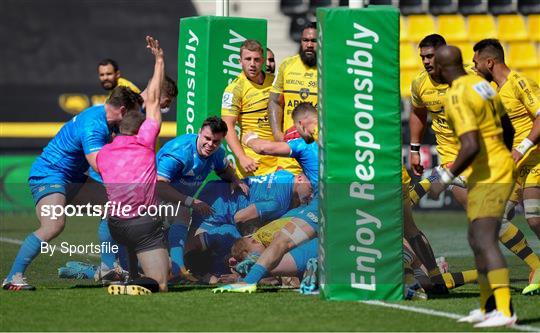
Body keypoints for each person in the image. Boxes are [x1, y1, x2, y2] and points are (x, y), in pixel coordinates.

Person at [408, 34, 540, 293]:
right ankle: (435, 275)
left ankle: (524, 271)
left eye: (431, 56)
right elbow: (418, 112)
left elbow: (501, 115)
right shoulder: (420, 84)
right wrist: (414, 148)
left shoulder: (473, 81)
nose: (425, 61)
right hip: (450, 160)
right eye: (422, 56)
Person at [2, 90, 142, 291]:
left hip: (72, 177)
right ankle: (12, 277)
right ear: (122, 110)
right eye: (132, 114)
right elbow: (98, 165)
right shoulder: (94, 125)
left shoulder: (104, 118)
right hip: (49, 174)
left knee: (113, 206)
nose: (134, 119)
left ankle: (108, 268)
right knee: (53, 225)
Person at [432, 45, 516, 327]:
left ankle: (505, 310)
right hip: (490, 169)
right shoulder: (481, 84)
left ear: (444, 69)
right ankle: (487, 307)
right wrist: (501, 156)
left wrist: (444, 179)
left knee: (484, 239)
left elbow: (469, 145)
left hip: (491, 172)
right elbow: (508, 126)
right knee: (475, 238)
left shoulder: (456, 93)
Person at [97, 36, 169, 294]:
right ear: (141, 130)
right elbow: (153, 100)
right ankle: (135, 282)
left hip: (116, 225)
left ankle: (128, 279)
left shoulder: (104, 153)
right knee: (161, 283)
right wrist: (159, 60)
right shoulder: (146, 142)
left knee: (136, 256)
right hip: (143, 225)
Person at [156, 116, 248, 279]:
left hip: (178, 201)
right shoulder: (178, 153)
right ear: (199, 132)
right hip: (150, 197)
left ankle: (177, 270)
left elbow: (224, 169)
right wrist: (190, 201)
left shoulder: (217, 153)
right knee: (181, 214)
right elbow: (159, 186)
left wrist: (235, 179)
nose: (210, 144)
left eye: (216, 141)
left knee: (170, 244)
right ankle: (177, 270)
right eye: (207, 138)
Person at [187, 170, 313, 277]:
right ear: (300, 179)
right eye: (311, 188)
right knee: (235, 243)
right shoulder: (278, 204)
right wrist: (255, 238)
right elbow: (240, 217)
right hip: (215, 211)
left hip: (214, 191)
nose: (312, 195)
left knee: (194, 250)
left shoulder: (285, 175)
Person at [221, 39, 277, 177]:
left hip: (281, 160)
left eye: (256, 59)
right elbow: (227, 125)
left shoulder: (275, 82)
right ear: (240, 61)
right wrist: (242, 157)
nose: (252, 64)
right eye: (248, 59)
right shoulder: (234, 90)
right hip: (254, 164)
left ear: (263, 61)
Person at [268, 21, 317, 174]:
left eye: (314, 41)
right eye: (305, 40)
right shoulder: (287, 65)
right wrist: (277, 133)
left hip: (315, 150)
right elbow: (275, 101)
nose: (309, 45)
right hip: (289, 149)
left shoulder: (330, 70)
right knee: (286, 195)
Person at [243, 102, 318, 190]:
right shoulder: (334, 134)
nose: (298, 133)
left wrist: (249, 139)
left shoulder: (302, 145)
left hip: (325, 198)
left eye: (297, 128)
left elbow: (262, 148)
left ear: (301, 124)